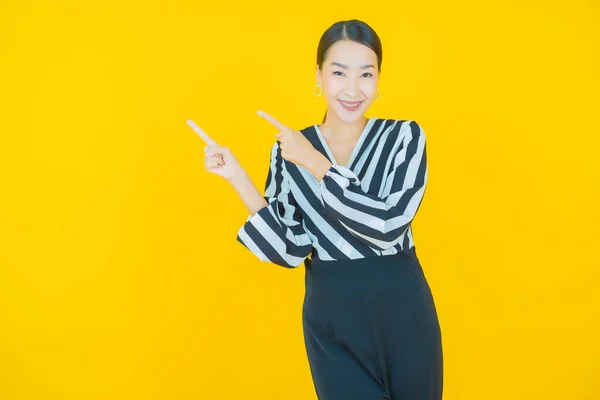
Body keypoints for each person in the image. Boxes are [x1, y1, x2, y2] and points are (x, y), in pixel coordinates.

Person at [201, 19, 442, 400]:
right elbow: (291, 249)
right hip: (331, 314)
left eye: (366, 73)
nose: (352, 88)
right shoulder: (289, 151)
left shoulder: (404, 136)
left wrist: (318, 165)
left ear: (379, 79)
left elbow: (388, 225)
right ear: (319, 75)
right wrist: (238, 178)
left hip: (402, 308)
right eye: (338, 73)